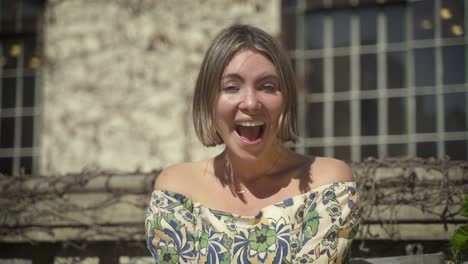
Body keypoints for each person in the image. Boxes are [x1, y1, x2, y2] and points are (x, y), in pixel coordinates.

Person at [145, 24, 360, 263]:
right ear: (208, 102)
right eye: (231, 87)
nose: (250, 103)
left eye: (267, 87)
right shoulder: (177, 190)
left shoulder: (326, 184)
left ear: (286, 99)